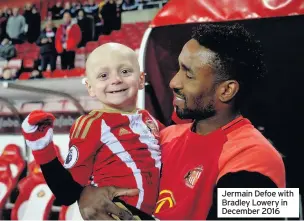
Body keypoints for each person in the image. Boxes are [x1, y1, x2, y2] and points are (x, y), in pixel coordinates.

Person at [24, 24, 286, 220]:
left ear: (226, 91)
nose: (173, 82)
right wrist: (87, 192)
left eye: (189, 75)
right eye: (177, 68)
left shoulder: (258, 158)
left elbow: (281, 208)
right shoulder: (164, 136)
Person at [21, 43, 163, 219]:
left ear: (141, 79)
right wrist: (42, 148)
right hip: (117, 213)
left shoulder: (149, 120)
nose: (116, 79)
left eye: (125, 71)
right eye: (103, 75)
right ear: (90, 87)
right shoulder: (91, 124)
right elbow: (68, 193)